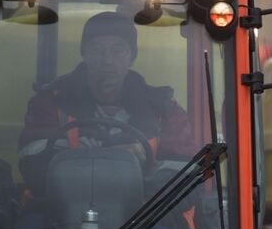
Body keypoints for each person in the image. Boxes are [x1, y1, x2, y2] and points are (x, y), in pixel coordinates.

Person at [17, 11, 197, 191]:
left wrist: (147, 160)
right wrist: (80, 156)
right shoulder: (51, 101)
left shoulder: (163, 108)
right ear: (84, 54)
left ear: (132, 57)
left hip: (145, 211)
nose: (107, 61)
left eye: (118, 50)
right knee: (33, 219)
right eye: (97, 49)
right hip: (61, 205)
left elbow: (186, 170)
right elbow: (29, 160)